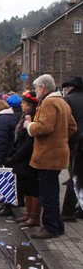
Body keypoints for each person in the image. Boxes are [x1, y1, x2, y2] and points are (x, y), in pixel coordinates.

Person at [23, 74, 77, 239]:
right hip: (58, 153)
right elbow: (73, 127)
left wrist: (29, 125)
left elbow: (44, 127)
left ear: (43, 88)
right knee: (52, 191)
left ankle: (50, 227)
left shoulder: (48, 102)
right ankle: (57, 226)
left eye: (37, 88)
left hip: (47, 155)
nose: (36, 91)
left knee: (47, 194)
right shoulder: (62, 101)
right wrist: (60, 138)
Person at [5, 91, 40, 227]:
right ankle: (28, 213)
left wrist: (15, 156)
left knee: (32, 187)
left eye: (24, 103)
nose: (22, 105)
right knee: (26, 187)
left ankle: (34, 216)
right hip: (22, 156)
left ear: (30, 105)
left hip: (27, 158)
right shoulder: (25, 116)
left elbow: (28, 143)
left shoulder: (31, 118)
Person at [60, 77, 83, 221]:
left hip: (76, 143)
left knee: (75, 176)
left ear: (70, 88)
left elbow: (66, 124)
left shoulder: (68, 100)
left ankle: (68, 211)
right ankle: (81, 208)